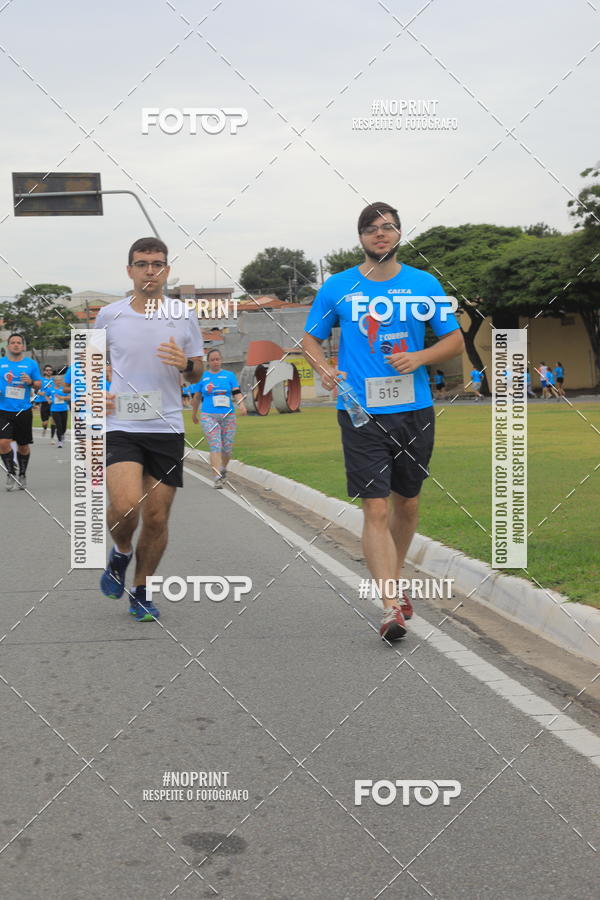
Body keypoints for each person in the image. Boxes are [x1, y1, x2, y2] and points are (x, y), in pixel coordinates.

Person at [302, 201, 464, 642]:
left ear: (398, 235)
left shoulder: (423, 284)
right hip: (360, 412)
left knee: (406, 503)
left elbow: (453, 340)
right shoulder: (338, 287)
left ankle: (394, 575)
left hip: (414, 410)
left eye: (388, 228)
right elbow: (310, 339)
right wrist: (323, 368)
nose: (381, 234)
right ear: (361, 237)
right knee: (374, 506)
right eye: (372, 229)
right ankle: (390, 604)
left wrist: (420, 357)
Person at [95, 237, 204, 622]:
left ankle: (142, 591)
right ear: (130, 270)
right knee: (125, 508)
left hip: (167, 425)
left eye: (158, 264)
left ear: (167, 271)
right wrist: (97, 394)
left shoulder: (183, 314)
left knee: (157, 517)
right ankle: (121, 551)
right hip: (121, 423)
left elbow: (197, 367)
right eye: (142, 264)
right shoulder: (110, 315)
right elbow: (91, 365)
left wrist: (185, 365)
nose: (150, 271)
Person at [191, 348, 247, 488]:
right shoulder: (203, 377)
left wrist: (241, 405)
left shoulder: (229, 376)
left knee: (227, 448)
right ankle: (216, 476)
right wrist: (194, 414)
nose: (215, 362)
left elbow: (237, 392)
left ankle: (222, 468)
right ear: (208, 362)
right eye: (212, 360)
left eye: (218, 359)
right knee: (215, 444)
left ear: (221, 360)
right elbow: (197, 397)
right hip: (209, 415)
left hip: (228, 416)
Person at [0, 334, 42, 491]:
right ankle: (10, 472)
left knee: (23, 446)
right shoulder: (1, 363)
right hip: (2, 410)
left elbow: (39, 385)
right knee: (3, 443)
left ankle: (22, 474)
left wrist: (31, 382)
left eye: (19, 343)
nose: (16, 345)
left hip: (23, 410)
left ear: (23, 346)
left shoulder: (30, 364)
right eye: (13, 343)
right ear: (8, 346)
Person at [45, 375, 69, 448]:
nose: (59, 382)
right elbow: (46, 395)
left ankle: (62, 435)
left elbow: (69, 397)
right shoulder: (50, 389)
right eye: (57, 380)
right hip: (54, 410)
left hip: (64, 409)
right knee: (58, 425)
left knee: (64, 426)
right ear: (54, 382)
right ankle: (59, 441)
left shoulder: (64, 389)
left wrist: (63, 397)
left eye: (60, 380)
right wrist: (48, 400)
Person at [36, 365, 56, 439]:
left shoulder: (54, 380)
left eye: (50, 370)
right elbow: (36, 391)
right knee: (45, 423)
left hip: (53, 403)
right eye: (47, 370)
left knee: (53, 420)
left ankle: (52, 437)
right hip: (44, 403)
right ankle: (44, 428)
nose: (49, 371)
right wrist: (42, 393)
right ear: (44, 371)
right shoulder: (40, 380)